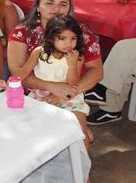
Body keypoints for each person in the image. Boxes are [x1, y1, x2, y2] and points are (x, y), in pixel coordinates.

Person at [6, 0, 102, 183]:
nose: (56, 8)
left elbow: (96, 71)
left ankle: (76, 174)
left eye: (63, 4)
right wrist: (49, 86)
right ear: (38, 6)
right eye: (50, 3)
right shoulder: (23, 32)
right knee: (38, 142)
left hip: (70, 93)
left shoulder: (79, 33)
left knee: (76, 137)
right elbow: (18, 73)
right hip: (33, 93)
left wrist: (68, 93)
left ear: (70, 8)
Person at [18, 15, 90, 150]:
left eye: (73, 39)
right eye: (62, 39)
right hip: (41, 94)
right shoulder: (39, 52)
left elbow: (73, 83)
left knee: (80, 128)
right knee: (30, 127)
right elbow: (23, 73)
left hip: (69, 94)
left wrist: (72, 65)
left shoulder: (77, 57)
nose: (68, 44)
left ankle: (83, 164)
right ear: (51, 38)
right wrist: (11, 83)